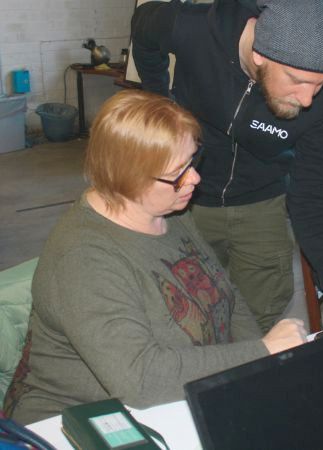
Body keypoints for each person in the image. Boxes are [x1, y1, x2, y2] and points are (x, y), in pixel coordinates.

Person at [3, 90, 306, 425]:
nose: (194, 178)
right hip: (74, 421)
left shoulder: (169, 213)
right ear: (127, 175)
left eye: (192, 161)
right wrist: (261, 352)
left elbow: (227, 296)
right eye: (178, 172)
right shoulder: (83, 259)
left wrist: (261, 366)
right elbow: (142, 379)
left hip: (169, 398)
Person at [130, 0, 323, 332]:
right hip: (186, 199)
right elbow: (144, 23)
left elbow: (313, 193)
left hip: (261, 202)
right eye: (296, 80)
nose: (307, 99)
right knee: (183, 317)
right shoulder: (196, 30)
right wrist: (159, 104)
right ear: (259, 54)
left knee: (259, 324)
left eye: (320, 83)